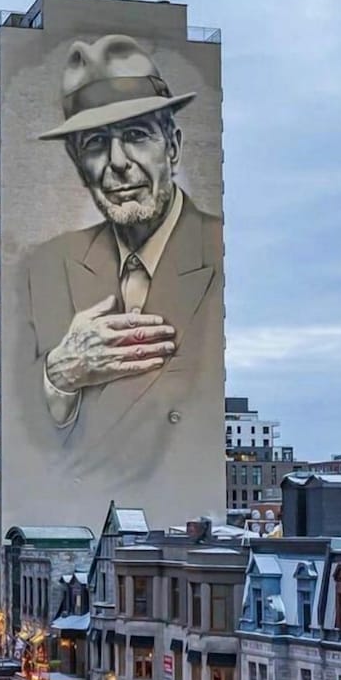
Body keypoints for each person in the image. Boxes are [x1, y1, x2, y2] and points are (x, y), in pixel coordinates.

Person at [20, 33, 223, 490]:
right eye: (96, 143)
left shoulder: (215, 247)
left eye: (135, 136)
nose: (118, 162)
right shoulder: (45, 266)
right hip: (79, 508)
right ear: (78, 163)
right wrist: (59, 375)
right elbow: (24, 431)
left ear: (172, 146)